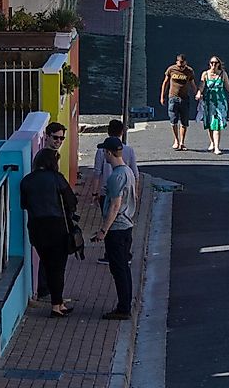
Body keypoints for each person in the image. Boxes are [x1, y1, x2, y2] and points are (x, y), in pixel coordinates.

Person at [20, 148, 77, 317]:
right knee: (57, 267)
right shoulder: (56, 178)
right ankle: (56, 305)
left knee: (47, 263)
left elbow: (24, 204)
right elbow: (71, 201)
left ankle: (57, 303)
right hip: (57, 226)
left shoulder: (27, 181)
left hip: (37, 227)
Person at [92, 136, 138, 320]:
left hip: (117, 229)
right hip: (126, 225)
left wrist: (103, 230)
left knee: (118, 269)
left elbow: (115, 205)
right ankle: (125, 304)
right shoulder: (128, 172)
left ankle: (123, 308)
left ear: (108, 153)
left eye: (104, 152)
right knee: (123, 268)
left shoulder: (116, 176)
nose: (104, 155)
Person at [35, 122, 69, 303]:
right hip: (48, 216)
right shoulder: (44, 157)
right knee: (51, 258)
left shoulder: (51, 155)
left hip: (44, 216)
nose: (58, 141)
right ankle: (48, 291)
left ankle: (46, 288)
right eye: (55, 138)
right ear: (47, 136)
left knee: (47, 256)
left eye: (62, 138)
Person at [196, 56, 229, 155]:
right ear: (209, 64)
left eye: (215, 63)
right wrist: (198, 93)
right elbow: (202, 85)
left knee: (217, 124)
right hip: (208, 102)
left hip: (219, 102)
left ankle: (217, 147)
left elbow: (227, 85)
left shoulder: (223, 74)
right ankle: (212, 142)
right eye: (212, 63)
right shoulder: (205, 74)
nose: (213, 65)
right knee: (210, 123)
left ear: (219, 64)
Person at [160, 54, 197, 150]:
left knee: (184, 122)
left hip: (184, 98)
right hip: (173, 98)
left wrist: (197, 93)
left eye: (183, 65)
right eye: (180, 64)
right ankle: (176, 140)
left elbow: (192, 84)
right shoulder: (171, 69)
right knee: (173, 120)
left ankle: (182, 142)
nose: (181, 67)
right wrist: (162, 96)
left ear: (186, 63)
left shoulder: (189, 71)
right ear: (177, 62)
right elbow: (165, 82)